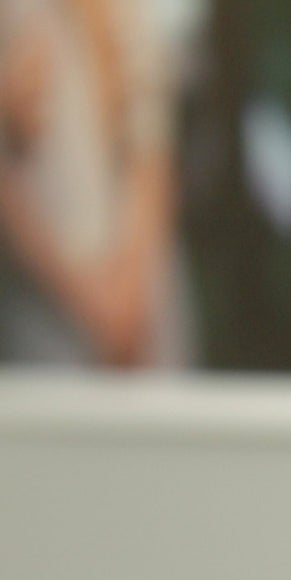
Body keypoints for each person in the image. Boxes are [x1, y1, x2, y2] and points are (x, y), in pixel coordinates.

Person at [0, 0, 187, 367]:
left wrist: (127, 294)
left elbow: (151, 144)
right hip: (49, 311)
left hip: (144, 301)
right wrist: (92, 303)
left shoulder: (132, 14)